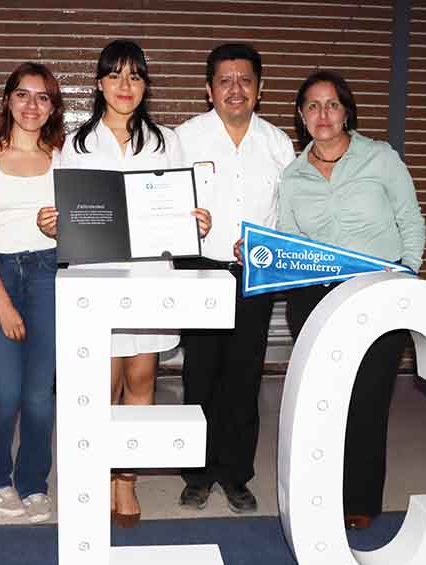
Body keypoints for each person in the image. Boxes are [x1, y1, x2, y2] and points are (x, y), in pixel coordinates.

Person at [36, 40, 211, 528]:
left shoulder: (166, 140)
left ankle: (126, 481)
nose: (125, 86)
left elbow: (177, 206)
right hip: (97, 278)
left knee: (141, 379)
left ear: (145, 85)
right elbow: (70, 214)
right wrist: (55, 224)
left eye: (135, 76)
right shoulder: (75, 144)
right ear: (98, 84)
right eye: (115, 76)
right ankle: (95, 477)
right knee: (101, 385)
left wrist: (193, 219)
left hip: (150, 276)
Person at [276, 69, 426, 529]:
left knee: (368, 398)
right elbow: (286, 237)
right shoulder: (293, 174)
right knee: (323, 399)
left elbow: (411, 222)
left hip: (377, 295)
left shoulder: (380, 159)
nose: (323, 114)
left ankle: (360, 500)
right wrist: (261, 253)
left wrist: (407, 278)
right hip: (315, 299)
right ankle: (318, 495)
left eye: (332, 104)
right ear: (302, 116)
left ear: (347, 112)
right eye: (313, 106)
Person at [174, 43, 295, 513]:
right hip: (201, 269)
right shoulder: (184, 138)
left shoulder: (278, 143)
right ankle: (197, 474)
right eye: (225, 80)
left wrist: (271, 241)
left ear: (260, 89)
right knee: (199, 373)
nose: (235, 89)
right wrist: (186, 222)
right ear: (209, 89)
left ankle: (236, 473)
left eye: (245, 79)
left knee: (245, 376)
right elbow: (164, 203)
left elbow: (289, 211)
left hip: (255, 269)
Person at [0, 62, 65, 523]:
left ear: (52, 107)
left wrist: (60, 228)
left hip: (47, 273)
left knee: (40, 394)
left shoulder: (63, 159)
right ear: (8, 100)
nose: (31, 105)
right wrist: (1, 301)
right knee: (4, 392)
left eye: (42, 97)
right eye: (23, 95)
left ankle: (33, 482)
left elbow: (81, 226)